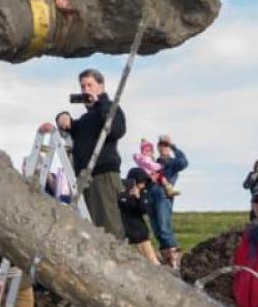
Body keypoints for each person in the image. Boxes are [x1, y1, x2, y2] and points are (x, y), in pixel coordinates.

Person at [43, 69, 126, 240]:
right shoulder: (86, 119)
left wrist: (100, 102)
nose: (86, 89)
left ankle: (115, 255)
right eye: (83, 86)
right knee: (90, 228)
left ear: (101, 86)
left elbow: (116, 130)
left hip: (103, 175)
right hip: (83, 178)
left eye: (90, 85)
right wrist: (62, 118)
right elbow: (74, 129)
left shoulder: (111, 108)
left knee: (109, 228)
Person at [146, 135, 188, 270]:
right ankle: (167, 260)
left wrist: (174, 146)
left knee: (164, 228)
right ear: (158, 147)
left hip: (163, 196)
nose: (163, 147)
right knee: (157, 230)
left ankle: (175, 260)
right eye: (161, 145)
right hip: (150, 196)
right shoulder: (153, 163)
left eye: (166, 145)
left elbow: (184, 162)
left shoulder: (173, 163)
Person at [117, 168, 161, 265]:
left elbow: (143, 210)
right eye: (142, 182)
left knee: (152, 260)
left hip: (139, 231)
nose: (144, 184)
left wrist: (138, 197)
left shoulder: (143, 193)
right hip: (126, 228)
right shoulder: (122, 190)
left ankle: (155, 265)